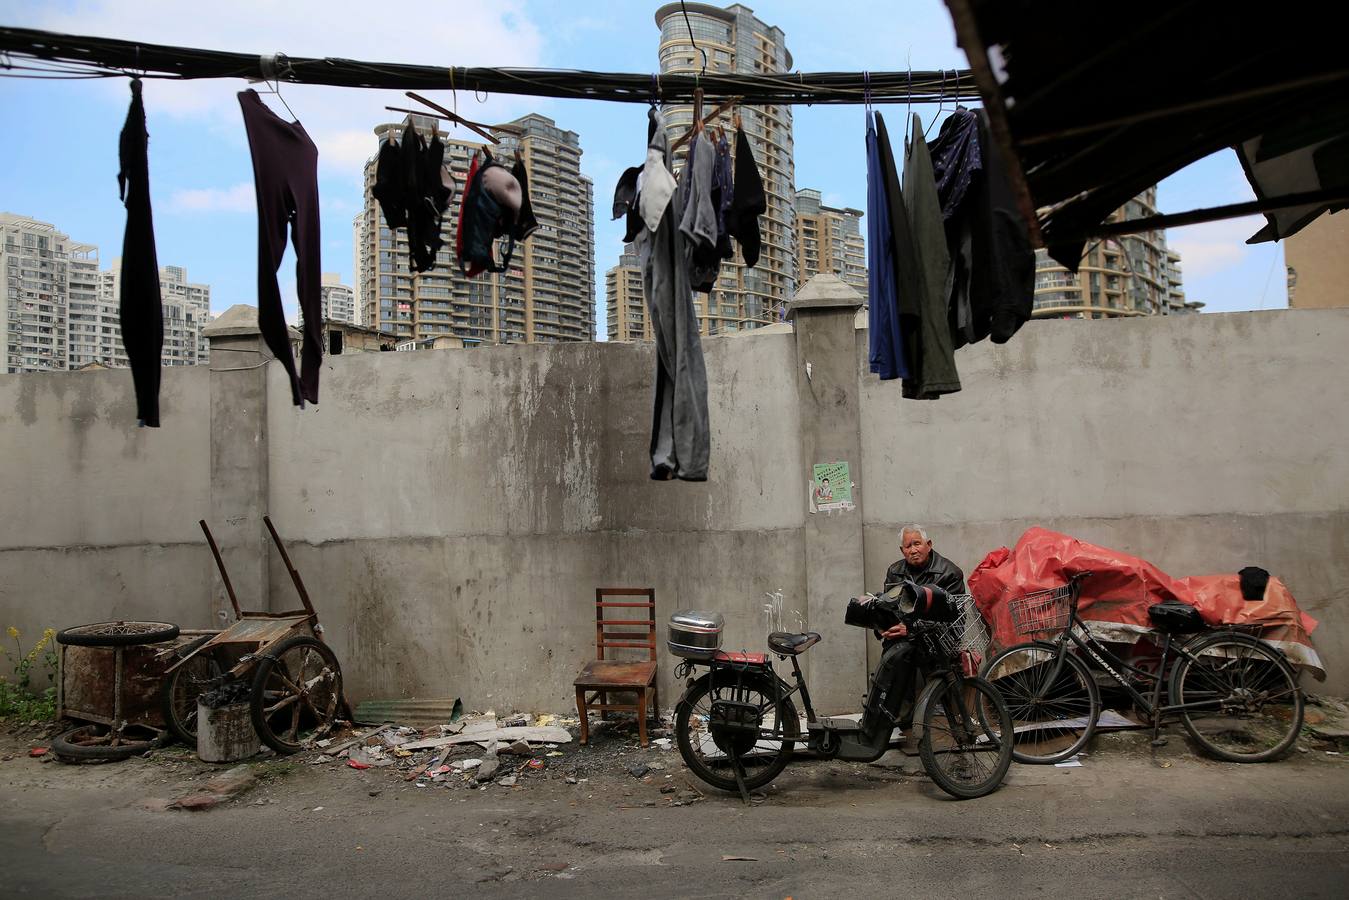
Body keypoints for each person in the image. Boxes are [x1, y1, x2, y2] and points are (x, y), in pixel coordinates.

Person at [863, 526, 967, 736]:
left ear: (929, 545)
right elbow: (889, 607)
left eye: (917, 544)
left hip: (937, 637)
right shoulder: (895, 571)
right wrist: (885, 627)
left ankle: (947, 715)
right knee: (895, 655)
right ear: (902, 551)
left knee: (920, 651)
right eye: (908, 546)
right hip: (907, 637)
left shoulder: (949, 572)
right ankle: (898, 715)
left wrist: (909, 628)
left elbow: (952, 618)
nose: (913, 550)